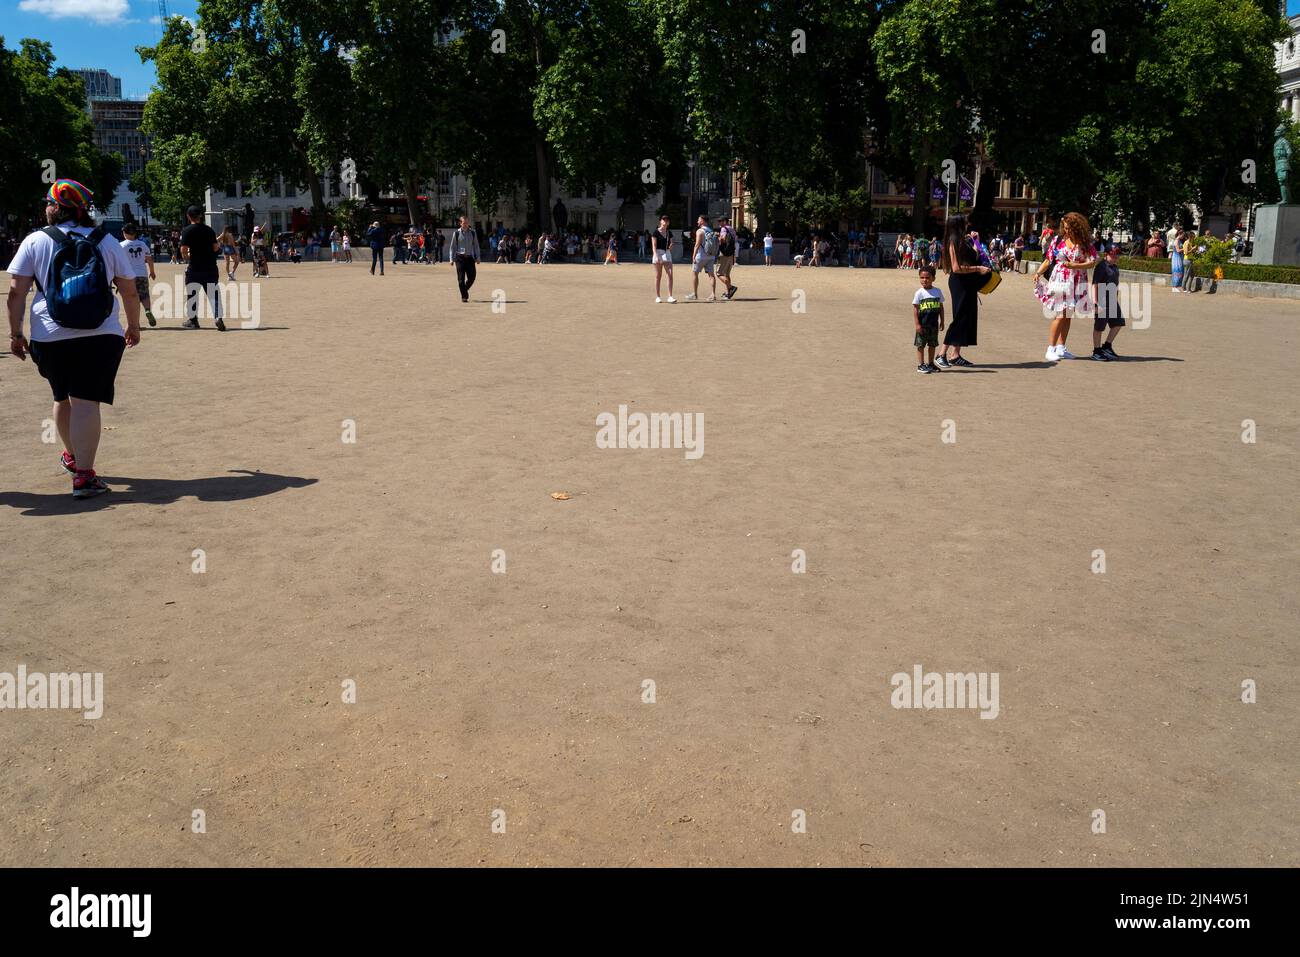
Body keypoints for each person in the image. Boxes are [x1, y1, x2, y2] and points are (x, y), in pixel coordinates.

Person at [6, 179, 142, 498]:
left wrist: (16, 333)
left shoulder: (35, 241)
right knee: (86, 400)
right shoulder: (106, 241)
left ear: (53, 208)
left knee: (62, 396)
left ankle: (72, 457)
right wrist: (133, 326)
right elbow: (129, 290)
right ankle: (84, 475)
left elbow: (16, 292)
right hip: (100, 333)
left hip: (48, 335)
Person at [1035, 211, 1096, 361]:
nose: (1066, 230)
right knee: (1061, 315)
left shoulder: (1085, 243)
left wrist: (1075, 265)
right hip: (1061, 280)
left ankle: (1061, 348)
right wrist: (1038, 273)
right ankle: (1051, 348)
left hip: (1077, 280)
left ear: (1077, 227)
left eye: (1069, 228)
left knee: (1068, 316)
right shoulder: (1058, 240)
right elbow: (1049, 260)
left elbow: (1093, 261)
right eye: (1065, 227)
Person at [935, 214, 990, 368]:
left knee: (967, 317)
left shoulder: (964, 240)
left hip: (968, 282)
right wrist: (978, 268)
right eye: (965, 221)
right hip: (960, 283)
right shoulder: (953, 240)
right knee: (960, 317)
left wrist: (976, 241)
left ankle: (955, 354)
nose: (967, 223)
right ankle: (941, 354)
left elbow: (977, 255)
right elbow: (956, 268)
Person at [179, 205, 225, 331]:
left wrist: (188, 259)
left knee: (192, 294)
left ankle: (193, 321)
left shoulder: (187, 230)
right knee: (213, 294)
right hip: (210, 267)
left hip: (194, 268)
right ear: (200, 216)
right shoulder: (209, 230)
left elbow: (183, 250)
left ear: (188, 216)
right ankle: (218, 317)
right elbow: (216, 247)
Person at [1089, 244, 1125, 361]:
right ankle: (1096, 351)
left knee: (1118, 323)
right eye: (1113, 255)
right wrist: (1095, 302)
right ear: (1106, 254)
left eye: (1117, 255)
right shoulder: (1101, 267)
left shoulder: (1115, 267)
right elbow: (1095, 285)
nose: (1115, 258)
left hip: (1112, 300)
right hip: (1102, 300)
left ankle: (1107, 346)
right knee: (1099, 327)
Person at [119, 222, 157, 327]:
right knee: (144, 294)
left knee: (132, 297)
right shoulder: (143, 244)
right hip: (142, 274)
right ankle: (148, 310)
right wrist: (152, 272)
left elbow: (118, 261)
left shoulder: (121, 245)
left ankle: (136, 323)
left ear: (125, 233)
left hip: (129, 275)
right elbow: (149, 259)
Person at [913, 265, 945, 374]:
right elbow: (915, 309)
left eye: (927, 277)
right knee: (920, 345)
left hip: (933, 324)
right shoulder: (919, 293)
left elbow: (941, 307)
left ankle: (931, 363)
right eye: (922, 278)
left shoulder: (937, 291)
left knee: (932, 344)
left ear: (933, 278)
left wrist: (942, 321)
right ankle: (921, 364)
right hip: (922, 325)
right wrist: (917, 324)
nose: (924, 280)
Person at [686, 215, 718, 301]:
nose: (697, 222)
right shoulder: (711, 230)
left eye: (699, 220)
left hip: (701, 256)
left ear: (703, 221)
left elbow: (697, 244)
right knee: (711, 276)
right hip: (711, 256)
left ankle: (695, 294)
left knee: (694, 273)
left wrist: (693, 255)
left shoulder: (700, 231)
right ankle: (713, 294)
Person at [451, 215, 480, 302]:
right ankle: (464, 296)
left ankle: (464, 290)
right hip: (460, 258)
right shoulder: (456, 233)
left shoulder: (473, 233)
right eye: (464, 223)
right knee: (461, 279)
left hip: (470, 258)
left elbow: (476, 246)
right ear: (460, 223)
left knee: (472, 277)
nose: (466, 224)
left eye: (467, 223)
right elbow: (453, 247)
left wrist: (478, 257)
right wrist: (451, 259)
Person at [651, 215, 676, 303]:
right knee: (658, 276)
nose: (665, 222)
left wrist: (671, 246)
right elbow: (654, 245)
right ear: (660, 221)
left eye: (667, 220)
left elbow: (671, 242)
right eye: (663, 220)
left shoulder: (669, 232)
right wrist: (655, 255)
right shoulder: (655, 232)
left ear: (668, 223)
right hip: (658, 252)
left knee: (670, 274)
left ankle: (670, 296)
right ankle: (658, 296)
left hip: (666, 253)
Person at [716, 216, 738, 300]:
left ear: (725, 221)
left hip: (724, 253)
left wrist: (718, 236)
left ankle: (731, 287)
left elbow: (723, 240)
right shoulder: (732, 229)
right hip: (731, 253)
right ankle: (728, 293)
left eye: (720, 221)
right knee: (727, 274)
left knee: (719, 273)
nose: (719, 223)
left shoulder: (723, 229)